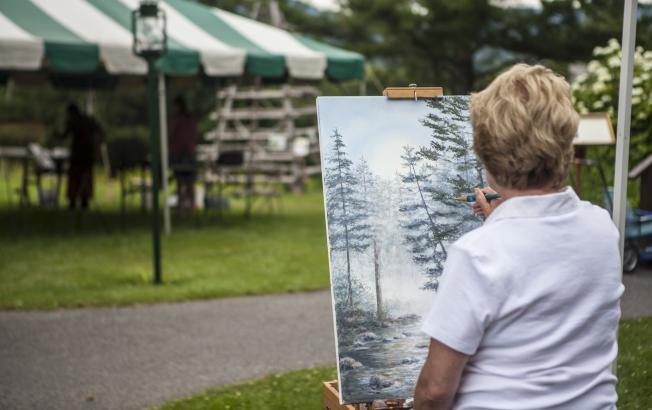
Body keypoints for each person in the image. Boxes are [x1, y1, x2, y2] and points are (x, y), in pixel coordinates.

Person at [414, 64, 623, 409]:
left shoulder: (478, 253)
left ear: (483, 153)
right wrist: (500, 224)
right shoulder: (602, 227)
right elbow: (543, 262)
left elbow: (435, 390)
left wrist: (497, 232)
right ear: (568, 145)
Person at [60, 103, 104, 210]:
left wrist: (55, 134)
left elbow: (64, 135)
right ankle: (85, 200)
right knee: (86, 177)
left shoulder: (72, 121)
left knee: (74, 178)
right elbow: (100, 132)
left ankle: (73, 201)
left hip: (77, 154)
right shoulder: (89, 120)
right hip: (88, 154)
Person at [169, 95, 197, 210]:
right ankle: (191, 208)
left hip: (180, 153)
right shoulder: (191, 118)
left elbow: (171, 134)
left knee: (180, 182)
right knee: (189, 183)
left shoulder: (177, 119)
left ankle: (181, 207)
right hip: (189, 152)